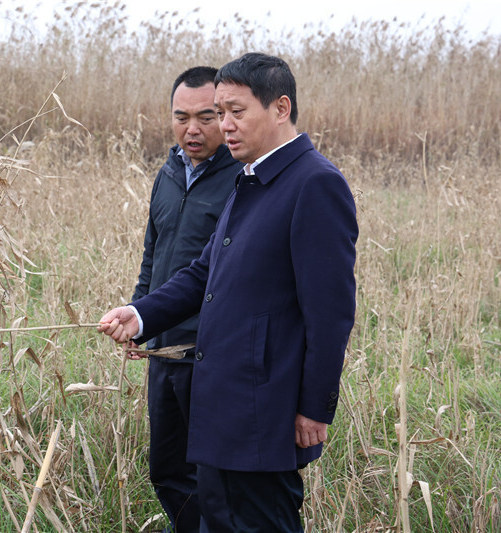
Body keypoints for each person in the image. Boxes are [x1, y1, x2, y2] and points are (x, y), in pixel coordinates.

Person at [99, 52, 358, 531]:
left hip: (263, 411)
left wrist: (314, 407)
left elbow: (331, 314)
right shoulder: (250, 177)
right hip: (221, 406)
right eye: (221, 112)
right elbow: (205, 273)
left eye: (236, 111)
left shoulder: (314, 184)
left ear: (280, 108)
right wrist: (142, 314)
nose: (225, 125)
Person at [131, 66, 240, 532]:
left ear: (225, 117)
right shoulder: (169, 172)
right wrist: (140, 315)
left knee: (213, 476)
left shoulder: (242, 179)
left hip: (209, 353)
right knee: (167, 468)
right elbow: (152, 252)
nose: (192, 129)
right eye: (181, 118)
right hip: (162, 350)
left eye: (206, 117)